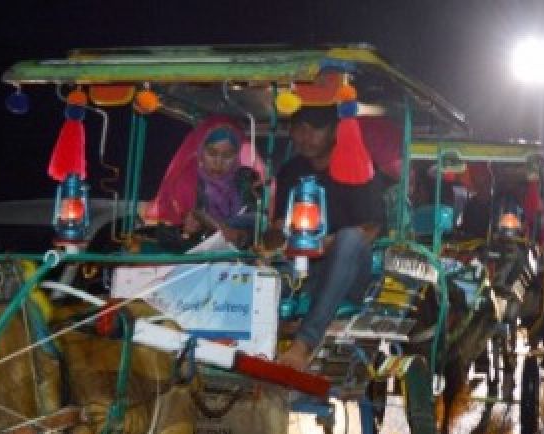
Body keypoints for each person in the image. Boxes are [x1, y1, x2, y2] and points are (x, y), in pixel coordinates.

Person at [273, 104, 386, 369]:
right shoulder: (291, 171)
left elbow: (371, 228)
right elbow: (280, 223)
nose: (305, 137)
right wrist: (277, 235)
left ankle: (304, 345)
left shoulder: (360, 168)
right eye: (299, 129)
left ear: (334, 130)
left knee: (349, 239)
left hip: (351, 273)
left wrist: (326, 244)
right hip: (303, 268)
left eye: (315, 129)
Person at [150, 115, 262, 249]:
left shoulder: (246, 181)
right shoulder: (186, 183)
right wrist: (184, 230)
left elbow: (259, 225)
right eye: (212, 153)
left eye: (227, 156)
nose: (218, 162)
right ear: (201, 153)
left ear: (237, 157)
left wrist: (241, 235)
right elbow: (164, 233)